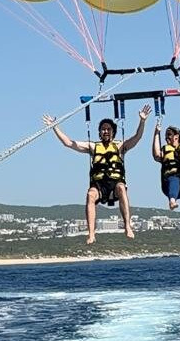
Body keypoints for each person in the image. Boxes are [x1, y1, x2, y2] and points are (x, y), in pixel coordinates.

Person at [42, 104, 152, 244]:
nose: (106, 131)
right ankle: (91, 233)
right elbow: (68, 143)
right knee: (90, 195)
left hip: (115, 184)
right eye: (103, 129)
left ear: (113, 132)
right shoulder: (93, 147)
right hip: (99, 185)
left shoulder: (120, 146)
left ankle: (127, 226)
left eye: (108, 129)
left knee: (122, 188)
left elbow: (137, 137)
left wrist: (142, 121)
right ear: (99, 132)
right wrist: (54, 126)